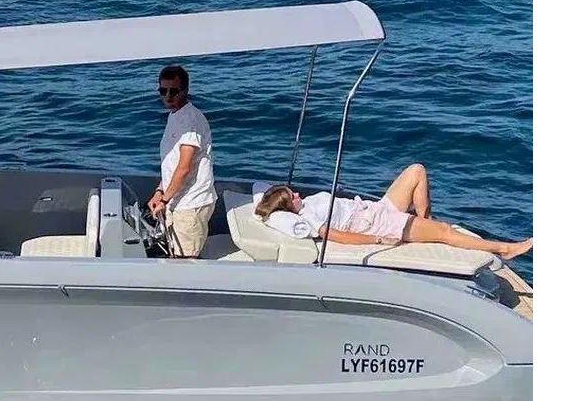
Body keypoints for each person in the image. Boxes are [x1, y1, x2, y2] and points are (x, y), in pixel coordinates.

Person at [253, 163, 534, 260]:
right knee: (446, 231)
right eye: (293, 197)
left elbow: (261, 197)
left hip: (376, 210)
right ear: (289, 208)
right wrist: (377, 239)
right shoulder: (308, 218)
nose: (298, 194)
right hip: (377, 225)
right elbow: (336, 237)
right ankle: (504, 248)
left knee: (416, 171)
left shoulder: (304, 205)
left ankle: (424, 224)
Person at [147, 65, 217, 258]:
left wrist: (164, 199)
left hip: (191, 203)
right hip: (177, 200)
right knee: (176, 257)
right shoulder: (175, 116)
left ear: (185, 90)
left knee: (186, 262)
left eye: (174, 91)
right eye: (163, 91)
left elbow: (184, 167)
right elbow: (172, 163)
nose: (168, 96)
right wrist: (160, 191)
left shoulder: (190, 120)